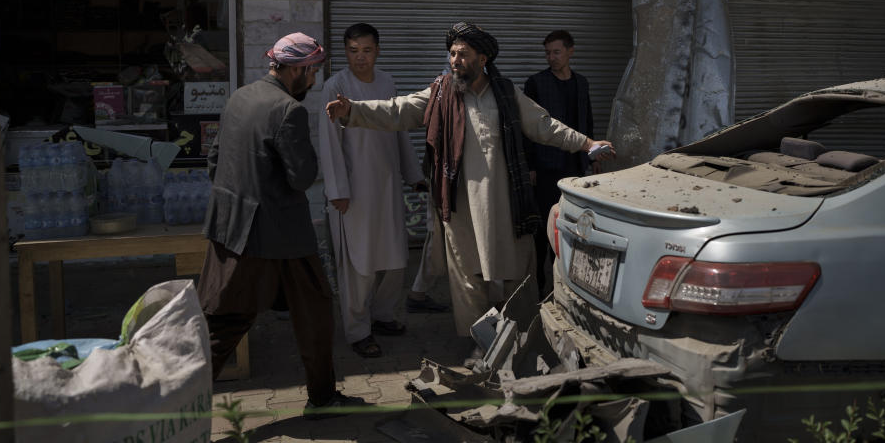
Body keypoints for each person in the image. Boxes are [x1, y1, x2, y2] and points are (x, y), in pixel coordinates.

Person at [325, 22, 614, 348]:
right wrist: (354, 110)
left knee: (514, 272)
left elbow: (544, 126)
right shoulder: (441, 92)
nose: (455, 60)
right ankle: (484, 342)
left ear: (483, 57)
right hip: (459, 206)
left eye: (462, 54)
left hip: (505, 204)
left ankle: (523, 336)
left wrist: (586, 143)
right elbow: (398, 110)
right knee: (467, 278)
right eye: (451, 54)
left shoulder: (505, 93)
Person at [197, 32, 359, 419]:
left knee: (314, 309)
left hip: (236, 225)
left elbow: (214, 161)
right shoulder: (290, 110)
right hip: (271, 233)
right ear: (298, 69)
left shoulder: (240, 96)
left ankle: (323, 397)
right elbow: (301, 177)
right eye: (314, 71)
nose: (315, 80)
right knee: (226, 323)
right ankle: (175, 405)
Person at [318, 23, 427, 358]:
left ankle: (382, 316)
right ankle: (357, 330)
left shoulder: (387, 82)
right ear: (345, 52)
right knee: (358, 264)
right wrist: (337, 189)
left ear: (377, 51)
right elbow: (328, 143)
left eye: (366, 50)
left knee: (394, 259)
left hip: (387, 184)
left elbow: (398, 129)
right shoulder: (334, 87)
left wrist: (413, 173)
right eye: (353, 50)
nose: (360, 57)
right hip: (353, 191)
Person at [524, 30, 594, 296]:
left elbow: (586, 120)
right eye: (548, 52)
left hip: (575, 166)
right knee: (543, 227)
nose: (551, 57)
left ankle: (568, 282)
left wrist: (592, 154)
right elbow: (528, 128)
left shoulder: (581, 83)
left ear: (570, 51)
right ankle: (540, 285)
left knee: (572, 223)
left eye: (556, 52)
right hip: (545, 166)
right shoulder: (536, 83)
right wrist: (530, 165)